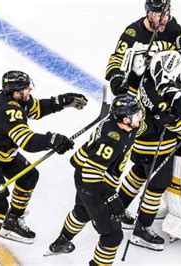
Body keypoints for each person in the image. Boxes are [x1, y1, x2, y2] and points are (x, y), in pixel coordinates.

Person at [0, 70, 86, 265]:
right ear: (16, 92)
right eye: (26, 88)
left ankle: (12, 220)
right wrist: (52, 140)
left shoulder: (14, 100)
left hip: (0, 150)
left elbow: (36, 108)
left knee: (29, 176)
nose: (30, 90)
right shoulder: (9, 110)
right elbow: (27, 141)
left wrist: (62, 101)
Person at [117, 49, 181, 251]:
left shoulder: (147, 77)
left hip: (140, 142)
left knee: (138, 174)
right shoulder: (164, 98)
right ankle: (142, 229)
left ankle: (116, 210)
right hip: (156, 148)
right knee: (157, 185)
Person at [46, 94, 143, 265]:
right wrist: (113, 199)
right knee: (113, 236)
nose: (140, 116)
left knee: (82, 211)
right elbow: (92, 176)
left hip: (85, 174)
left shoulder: (124, 124)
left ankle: (61, 242)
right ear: (125, 119)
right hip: (93, 184)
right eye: (136, 114)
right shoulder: (112, 140)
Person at [105, 0, 181, 97]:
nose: (165, 19)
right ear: (149, 14)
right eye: (160, 16)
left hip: (161, 89)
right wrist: (116, 78)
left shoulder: (172, 27)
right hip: (134, 91)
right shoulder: (133, 33)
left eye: (167, 14)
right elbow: (117, 58)